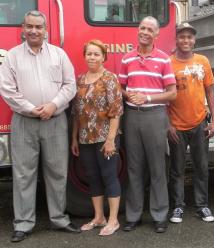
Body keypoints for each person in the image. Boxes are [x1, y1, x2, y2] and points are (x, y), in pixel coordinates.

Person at [0, 10, 80, 243]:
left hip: (55, 120)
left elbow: (70, 85)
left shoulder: (59, 54)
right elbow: (7, 90)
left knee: (57, 171)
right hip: (25, 121)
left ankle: (59, 218)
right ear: (23, 29)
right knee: (24, 174)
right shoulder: (13, 57)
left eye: (38, 27)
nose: (34, 31)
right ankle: (23, 223)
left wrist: (52, 106)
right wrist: (31, 109)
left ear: (46, 30)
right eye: (29, 27)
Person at [118, 16, 177, 233]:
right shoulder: (127, 58)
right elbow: (120, 88)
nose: (144, 32)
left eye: (149, 29)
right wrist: (129, 95)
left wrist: (148, 98)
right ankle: (133, 216)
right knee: (134, 168)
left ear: (156, 34)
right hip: (132, 116)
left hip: (155, 116)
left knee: (157, 168)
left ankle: (159, 215)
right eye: (142, 28)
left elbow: (173, 93)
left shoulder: (163, 59)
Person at [71, 40, 123, 236]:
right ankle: (99, 217)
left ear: (104, 57)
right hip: (85, 139)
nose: (92, 57)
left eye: (96, 54)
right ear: (84, 56)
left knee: (109, 176)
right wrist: (74, 139)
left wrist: (110, 140)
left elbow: (116, 112)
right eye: (89, 54)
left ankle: (113, 219)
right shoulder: (80, 79)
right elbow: (76, 113)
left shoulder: (110, 78)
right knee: (92, 177)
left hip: (105, 138)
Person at [167, 23, 214, 223]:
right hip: (176, 126)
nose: (186, 40)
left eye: (189, 37)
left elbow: (210, 91)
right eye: (182, 37)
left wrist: (213, 120)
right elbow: (165, 98)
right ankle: (178, 207)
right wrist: (167, 124)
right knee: (177, 169)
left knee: (201, 167)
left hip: (199, 124)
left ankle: (202, 206)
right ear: (176, 39)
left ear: (194, 40)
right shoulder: (168, 63)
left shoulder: (202, 61)